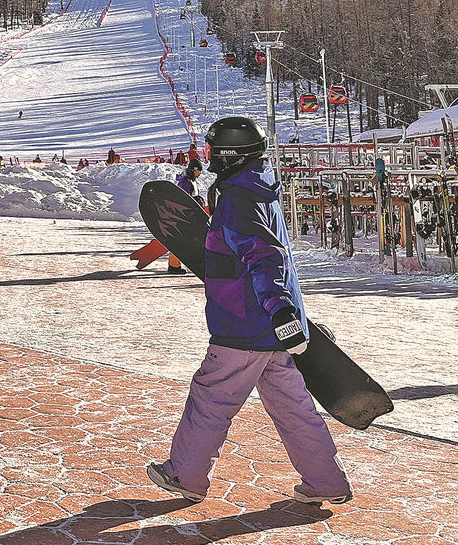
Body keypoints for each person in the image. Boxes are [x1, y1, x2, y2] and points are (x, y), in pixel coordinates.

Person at [147, 116, 352, 506]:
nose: (207, 157)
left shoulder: (239, 201)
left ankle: (185, 474)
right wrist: (285, 317)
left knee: (211, 398)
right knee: (293, 408)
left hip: (244, 324)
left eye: (211, 150)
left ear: (228, 156)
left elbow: (264, 257)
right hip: (269, 331)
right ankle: (326, 482)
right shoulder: (256, 190)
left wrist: (279, 310)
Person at [167, 159, 206, 275]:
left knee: (183, 240)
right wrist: (198, 202)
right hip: (184, 216)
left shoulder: (190, 180)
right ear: (194, 170)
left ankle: (175, 264)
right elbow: (183, 199)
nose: (199, 173)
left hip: (189, 216)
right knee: (181, 240)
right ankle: (174, 265)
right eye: (198, 171)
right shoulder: (186, 182)